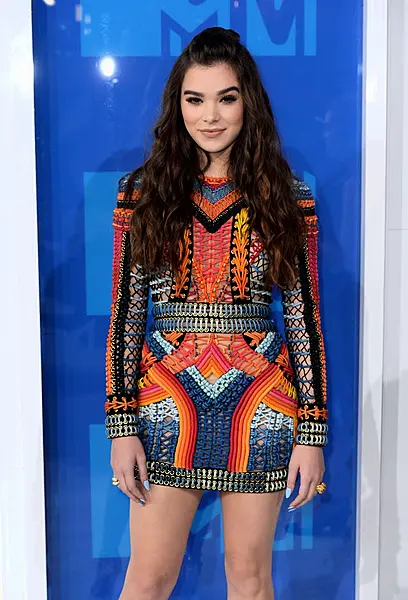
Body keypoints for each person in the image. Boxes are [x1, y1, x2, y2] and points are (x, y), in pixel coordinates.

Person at [105, 26, 328, 600]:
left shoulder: (288, 196)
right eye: (194, 99)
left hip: (262, 405)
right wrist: (121, 425)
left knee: (250, 580)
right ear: (176, 103)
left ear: (247, 101)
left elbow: (304, 318)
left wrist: (313, 430)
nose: (210, 116)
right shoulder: (142, 192)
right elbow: (126, 315)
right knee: (149, 577)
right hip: (164, 403)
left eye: (226, 98)